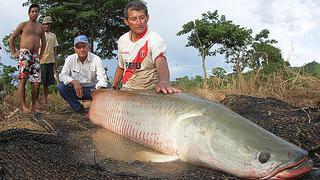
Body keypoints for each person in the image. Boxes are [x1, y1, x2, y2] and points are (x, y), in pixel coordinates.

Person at [112, 1, 181, 94]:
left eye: (142, 18)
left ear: (147, 18)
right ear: (126, 21)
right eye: (133, 19)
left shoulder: (155, 39)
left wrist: (164, 82)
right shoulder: (122, 40)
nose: (139, 22)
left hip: (150, 92)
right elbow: (121, 67)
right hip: (127, 91)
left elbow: (160, 61)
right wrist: (113, 87)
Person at [8, 4, 46, 113]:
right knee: (22, 80)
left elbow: (44, 42)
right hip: (24, 53)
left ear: (39, 13)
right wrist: (14, 53)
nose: (34, 13)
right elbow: (11, 39)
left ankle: (32, 105)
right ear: (29, 13)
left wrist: (41, 54)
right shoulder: (23, 25)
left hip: (35, 55)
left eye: (36, 11)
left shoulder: (40, 27)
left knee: (36, 82)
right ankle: (22, 106)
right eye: (32, 11)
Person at [58, 35, 108, 113]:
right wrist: (75, 83)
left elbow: (103, 78)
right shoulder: (70, 59)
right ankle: (78, 108)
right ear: (74, 49)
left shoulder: (96, 59)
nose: (81, 49)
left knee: (106, 91)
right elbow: (63, 75)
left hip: (92, 90)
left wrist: (97, 90)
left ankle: (97, 107)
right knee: (61, 87)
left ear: (88, 47)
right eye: (78, 47)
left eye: (84, 46)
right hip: (76, 90)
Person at [39, 16, 59, 108]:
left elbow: (55, 48)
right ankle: (37, 100)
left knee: (47, 82)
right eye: (45, 24)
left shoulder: (53, 35)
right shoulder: (40, 34)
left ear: (50, 25)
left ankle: (45, 99)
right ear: (42, 25)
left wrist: (55, 59)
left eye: (48, 24)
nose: (46, 25)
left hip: (50, 60)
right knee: (41, 81)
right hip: (41, 60)